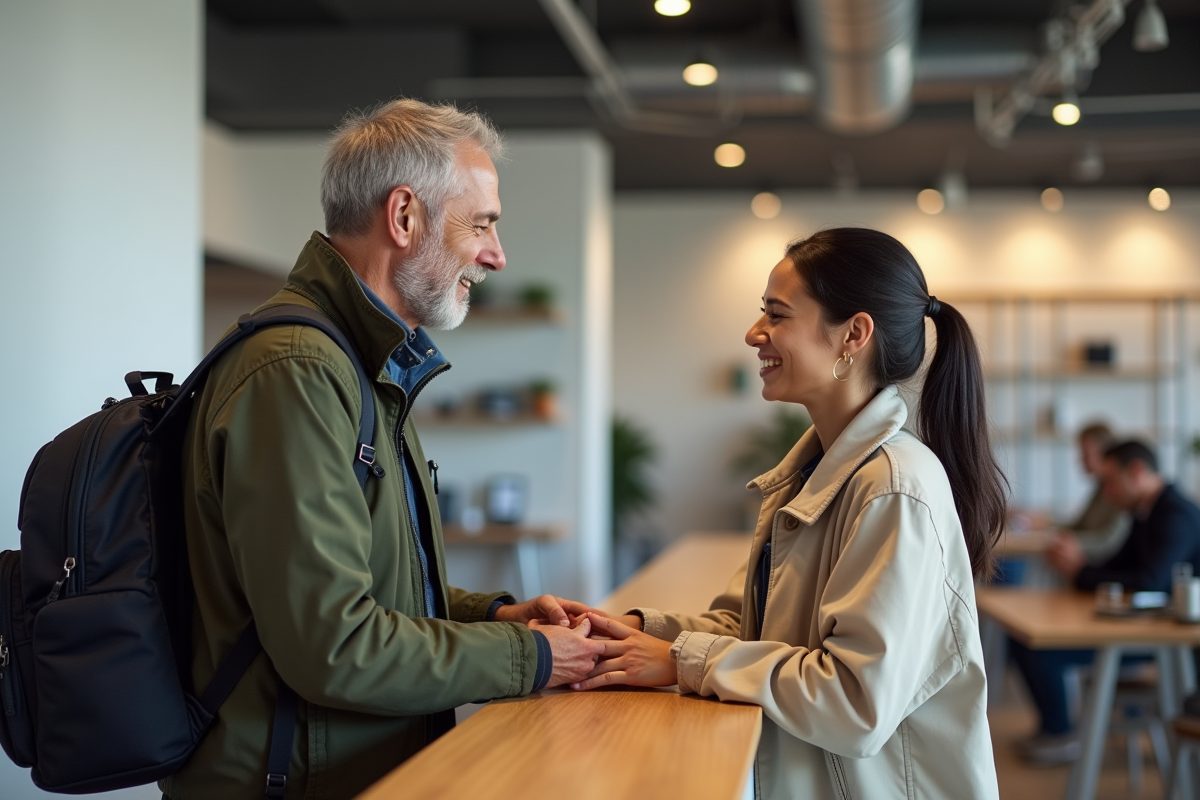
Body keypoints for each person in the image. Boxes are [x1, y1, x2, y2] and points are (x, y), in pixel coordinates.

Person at [163, 100, 604, 799]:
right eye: (483, 223)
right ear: (404, 217)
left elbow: (365, 586)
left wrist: (490, 615)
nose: (496, 254)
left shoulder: (359, 364)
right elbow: (334, 647)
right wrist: (533, 657)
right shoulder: (299, 372)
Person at [573, 228, 1005, 799]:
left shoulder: (892, 487)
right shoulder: (811, 472)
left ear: (853, 335)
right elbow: (752, 632)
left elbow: (854, 702)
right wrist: (633, 632)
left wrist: (680, 661)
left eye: (776, 315)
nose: (755, 334)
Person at [1014, 440, 1200, 764]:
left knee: (1038, 650)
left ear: (1138, 472)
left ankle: (1060, 733)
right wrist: (1081, 568)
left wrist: (1081, 570)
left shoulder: (1176, 514)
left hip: (1168, 642)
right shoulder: (1147, 513)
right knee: (1024, 641)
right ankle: (1057, 729)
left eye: (1110, 483)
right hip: (1144, 628)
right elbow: (1116, 565)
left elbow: (1150, 582)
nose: (1107, 494)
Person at [1057, 422, 1130, 563]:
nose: (1080, 459)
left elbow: (1109, 542)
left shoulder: (1119, 489)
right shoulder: (1100, 486)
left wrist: (1071, 543)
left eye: (1085, 453)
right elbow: (1079, 525)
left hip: (1105, 568)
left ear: (1105, 452)